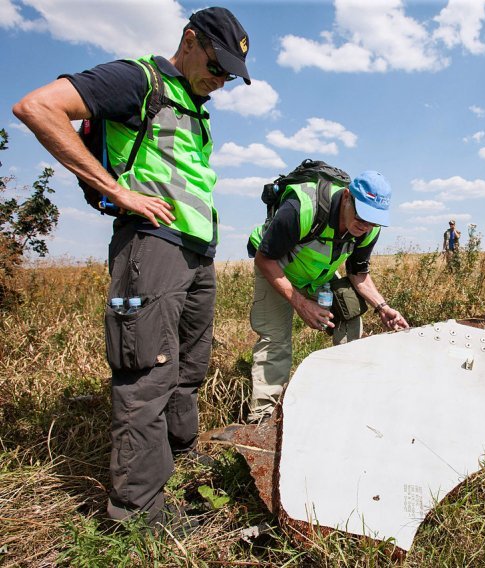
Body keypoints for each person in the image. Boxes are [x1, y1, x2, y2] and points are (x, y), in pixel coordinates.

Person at [13, 7, 251, 526]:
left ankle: (178, 458)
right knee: (146, 374)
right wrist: (117, 190)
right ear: (190, 40)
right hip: (152, 247)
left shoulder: (193, 102)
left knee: (188, 366)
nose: (222, 79)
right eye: (217, 65)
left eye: (231, 74)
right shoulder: (137, 79)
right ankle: (138, 516)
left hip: (195, 251)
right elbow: (38, 107)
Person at [245, 170, 410, 423]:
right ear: (346, 197)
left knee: (351, 314)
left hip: (316, 276)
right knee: (276, 340)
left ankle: (343, 394)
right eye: (362, 215)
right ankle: (262, 419)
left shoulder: (369, 230)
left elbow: (358, 273)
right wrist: (301, 304)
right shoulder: (302, 208)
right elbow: (264, 259)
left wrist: (382, 307)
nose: (365, 226)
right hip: (276, 267)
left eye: (374, 221)